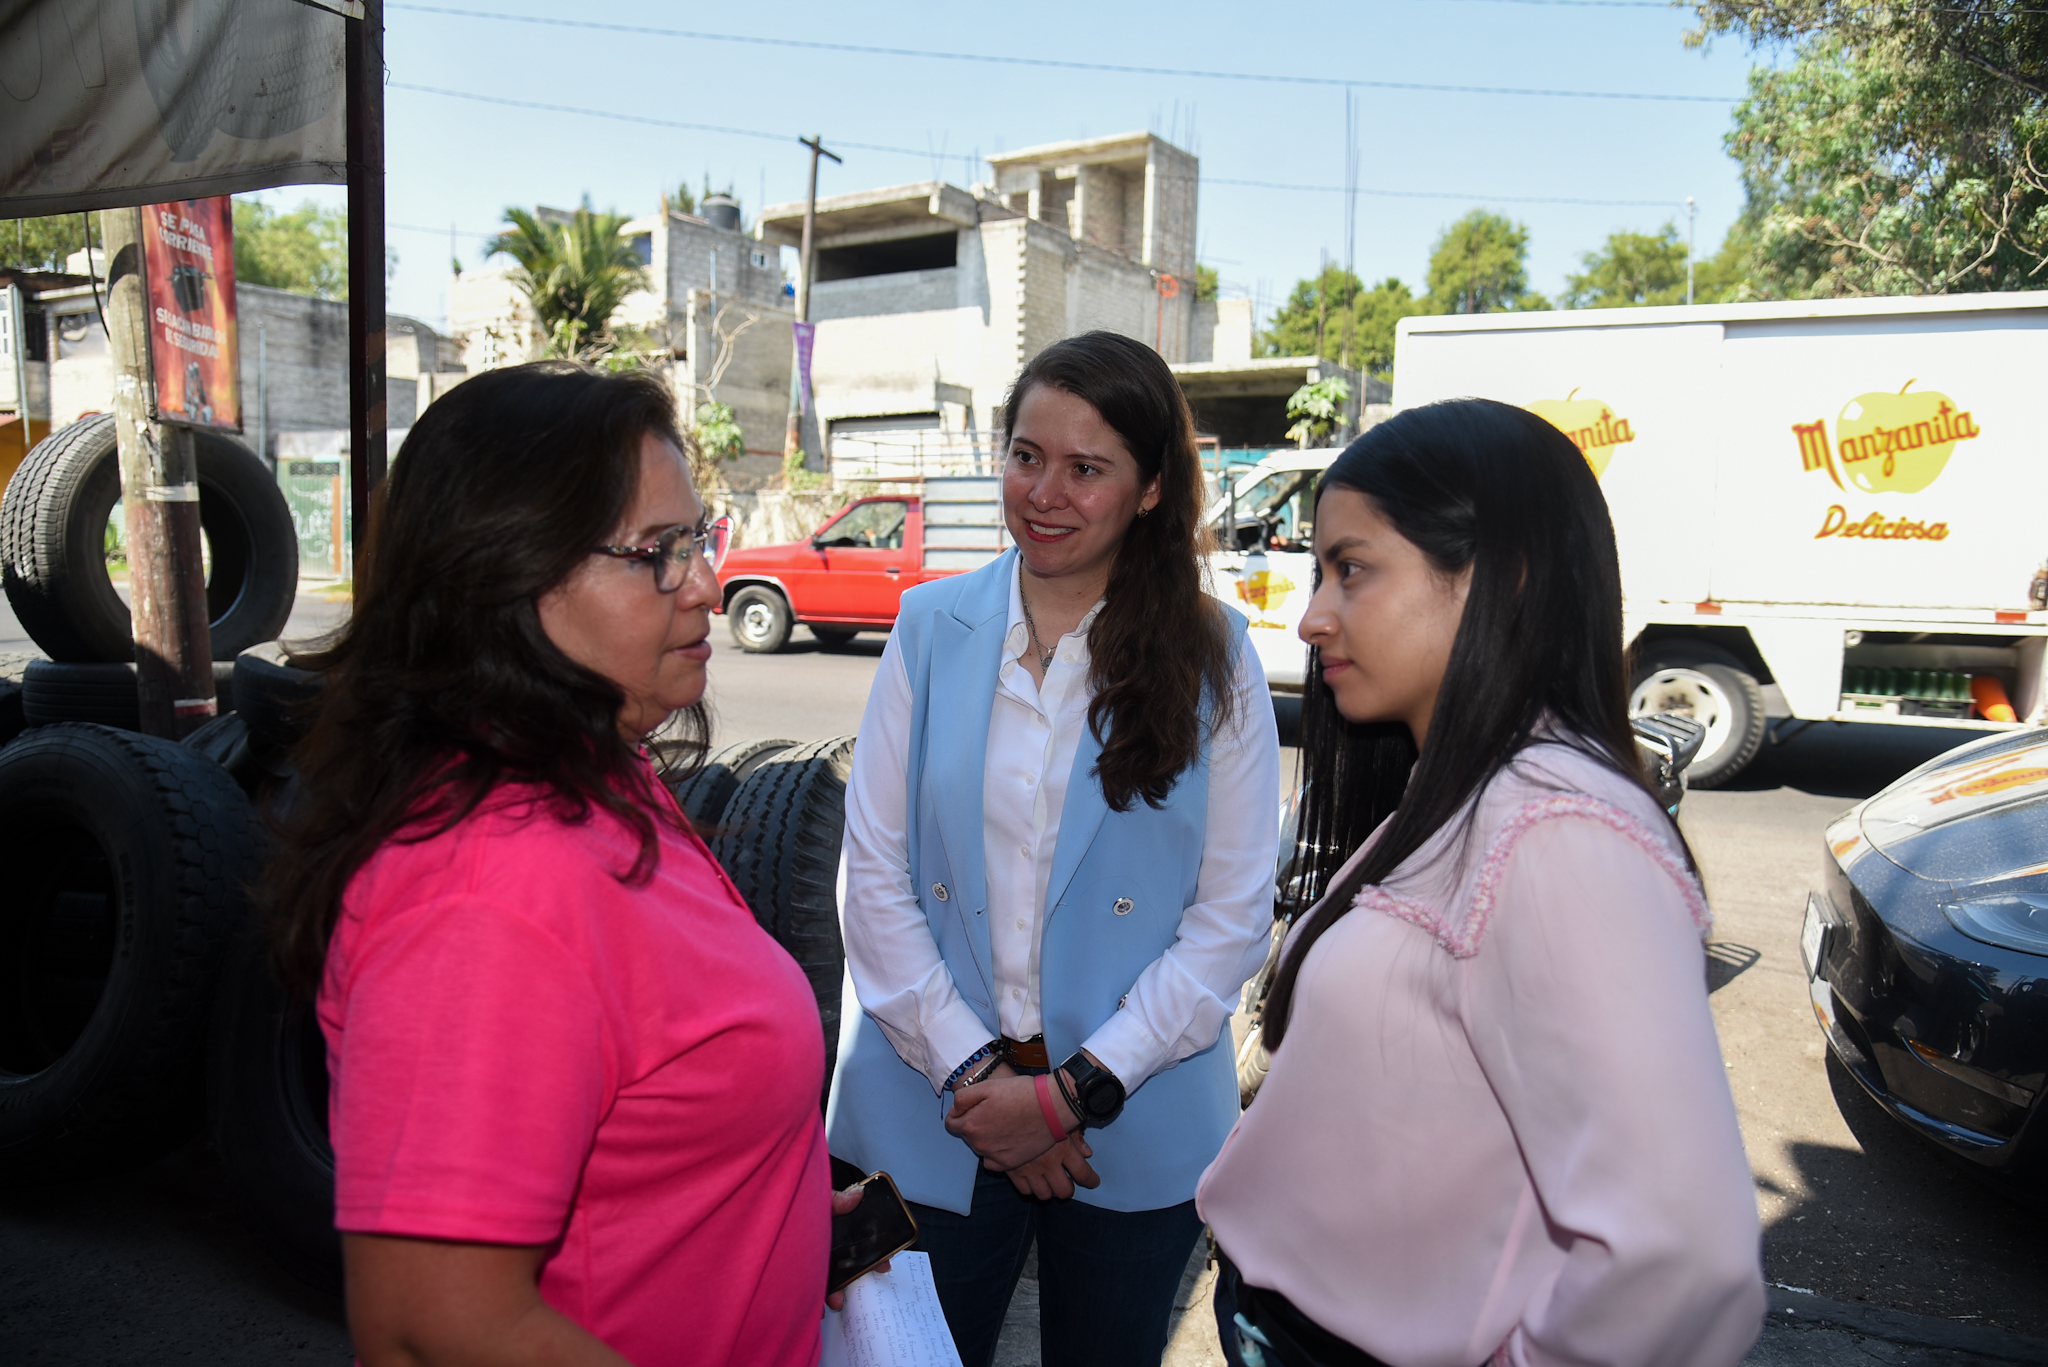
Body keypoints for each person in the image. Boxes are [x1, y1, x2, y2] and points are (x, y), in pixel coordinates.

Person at [263, 362, 869, 1367]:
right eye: (658, 552)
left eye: (699, 538)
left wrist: (775, 1201)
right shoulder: (487, 891)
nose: (706, 585)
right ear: (508, 576)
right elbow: (432, 1324)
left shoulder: (599, 774)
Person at [1197, 399, 1766, 1367]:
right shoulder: (1467, 786)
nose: (1311, 615)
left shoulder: (1556, 830)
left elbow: (1682, 1259)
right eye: (1319, 571)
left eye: (1350, 569)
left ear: (1503, 576)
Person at [826, 330, 1281, 1367]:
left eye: (1086, 468)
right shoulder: (927, 625)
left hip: (1137, 1117)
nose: (1044, 493)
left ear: (1151, 488)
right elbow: (874, 879)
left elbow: (1228, 919)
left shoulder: (1217, 656)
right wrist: (982, 1082)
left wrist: (1066, 1095)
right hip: (931, 1106)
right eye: (1026, 455)